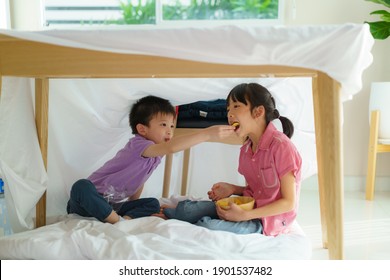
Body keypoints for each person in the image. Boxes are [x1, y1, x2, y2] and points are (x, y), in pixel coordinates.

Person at [66, 95, 235, 224]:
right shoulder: (139, 144)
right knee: (81, 186)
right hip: (86, 202)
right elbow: (171, 147)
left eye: (172, 126)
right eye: (163, 125)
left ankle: (123, 219)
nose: (170, 131)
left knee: (152, 203)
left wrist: (134, 203)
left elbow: (139, 180)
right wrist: (206, 134)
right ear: (142, 129)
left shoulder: (155, 153)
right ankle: (118, 222)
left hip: (113, 206)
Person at [162, 83, 302, 236]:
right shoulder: (247, 149)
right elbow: (258, 190)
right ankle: (167, 213)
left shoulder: (282, 147)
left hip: (267, 221)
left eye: (236, 106)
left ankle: (181, 221)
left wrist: (245, 216)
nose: (229, 114)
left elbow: (289, 202)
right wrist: (233, 189)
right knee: (187, 210)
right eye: (228, 109)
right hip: (248, 208)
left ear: (258, 112)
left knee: (208, 226)